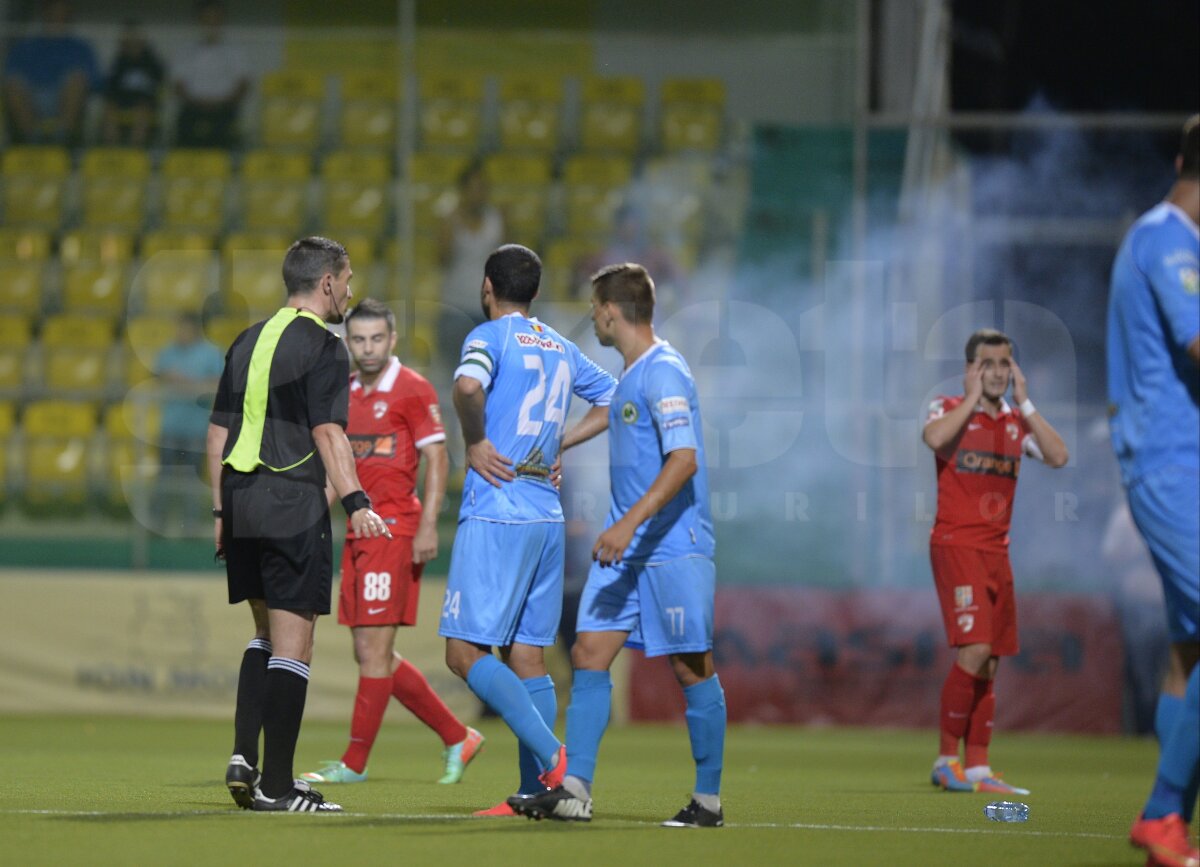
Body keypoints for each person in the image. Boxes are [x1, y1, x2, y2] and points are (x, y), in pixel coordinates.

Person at [515, 263, 727, 828]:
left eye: (594, 308)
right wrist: (560, 442)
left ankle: (708, 801)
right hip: (625, 550)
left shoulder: (665, 372)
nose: (592, 317)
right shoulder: (632, 373)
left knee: (691, 667)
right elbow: (613, 410)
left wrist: (628, 524)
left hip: (671, 544)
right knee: (588, 652)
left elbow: (684, 460)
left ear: (611, 312)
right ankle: (575, 789)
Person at [207, 236, 391, 814]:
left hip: (239, 499)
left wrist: (220, 511)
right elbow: (328, 433)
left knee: (264, 632)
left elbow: (217, 434)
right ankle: (279, 786)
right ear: (328, 283)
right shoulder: (325, 347)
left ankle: (245, 756)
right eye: (348, 280)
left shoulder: (246, 339)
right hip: (290, 502)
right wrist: (357, 501)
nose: (351, 293)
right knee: (295, 642)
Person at [438, 244, 616, 816]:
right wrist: (559, 440)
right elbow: (613, 399)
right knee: (527, 657)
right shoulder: (561, 346)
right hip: (546, 515)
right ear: (534, 293)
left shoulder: (489, 337)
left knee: (463, 653)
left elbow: (468, 387)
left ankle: (556, 762)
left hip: (498, 508)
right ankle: (538, 795)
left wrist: (475, 442)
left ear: (487, 287)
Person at [299, 298, 484, 786]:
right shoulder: (343, 391)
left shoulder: (412, 388)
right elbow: (336, 464)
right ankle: (457, 735)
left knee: (374, 650)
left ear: (392, 339)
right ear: (348, 342)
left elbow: (438, 458)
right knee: (369, 652)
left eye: (376, 338)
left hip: (395, 528)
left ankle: (354, 763)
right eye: (358, 339)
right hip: (358, 533)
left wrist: (428, 526)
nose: (367, 348)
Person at [1108, 114, 1200, 867]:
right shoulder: (1168, 239)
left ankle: (1171, 823)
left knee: (1189, 654)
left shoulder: (1168, 239)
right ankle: (1164, 811)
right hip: (1173, 464)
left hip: (1177, 462)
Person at [923, 329, 1069, 796]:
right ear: (970, 369)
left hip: (997, 551)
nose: (998, 372)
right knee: (976, 649)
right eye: (988, 363)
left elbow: (1059, 456)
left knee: (991, 661)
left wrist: (1025, 403)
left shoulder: (1015, 421)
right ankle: (946, 760)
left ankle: (979, 768)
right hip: (956, 544)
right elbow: (933, 438)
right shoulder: (948, 408)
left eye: (1005, 363)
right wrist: (970, 398)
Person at [154, 312, 224, 534]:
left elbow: (218, 384)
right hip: (170, 427)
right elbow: (162, 378)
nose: (181, 333)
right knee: (164, 477)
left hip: (196, 428)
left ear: (195, 329)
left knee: (193, 478)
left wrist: (186, 383)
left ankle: (190, 525)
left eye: (185, 328)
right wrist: (194, 385)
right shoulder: (167, 352)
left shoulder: (211, 354)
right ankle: (158, 523)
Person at [436, 160, 505, 373]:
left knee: (489, 371)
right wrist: (449, 227)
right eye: (473, 188)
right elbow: (441, 260)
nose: (477, 194)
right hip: (455, 307)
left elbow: (508, 260)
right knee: (454, 371)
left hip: (489, 308)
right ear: (462, 190)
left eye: (482, 188)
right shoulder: (450, 220)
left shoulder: (498, 220)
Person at [1, 0, 99, 145]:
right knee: (13, 84)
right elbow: (9, 76)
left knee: (77, 79)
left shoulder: (81, 47)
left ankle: (60, 139)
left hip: (66, 101)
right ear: (45, 14)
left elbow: (96, 81)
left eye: (63, 13)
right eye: (54, 12)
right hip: (31, 99)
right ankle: (33, 140)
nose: (58, 17)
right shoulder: (25, 47)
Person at [173, 0, 250, 148]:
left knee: (224, 132)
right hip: (193, 109)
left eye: (215, 18)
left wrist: (222, 103)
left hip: (224, 109)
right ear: (199, 20)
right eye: (206, 18)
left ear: (222, 20)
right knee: (185, 129)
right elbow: (178, 86)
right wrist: (197, 103)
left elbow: (243, 85)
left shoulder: (235, 51)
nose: (211, 23)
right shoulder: (185, 51)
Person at [101, 19, 166, 147]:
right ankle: (111, 147)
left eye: (135, 39)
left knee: (142, 109)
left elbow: (158, 84)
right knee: (109, 108)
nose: (133, 43)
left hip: (145, 99)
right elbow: (111, 86)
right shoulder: (119, 61)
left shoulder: (152, 62)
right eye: (129, 39)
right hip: (122, 99)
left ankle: (136, 147)